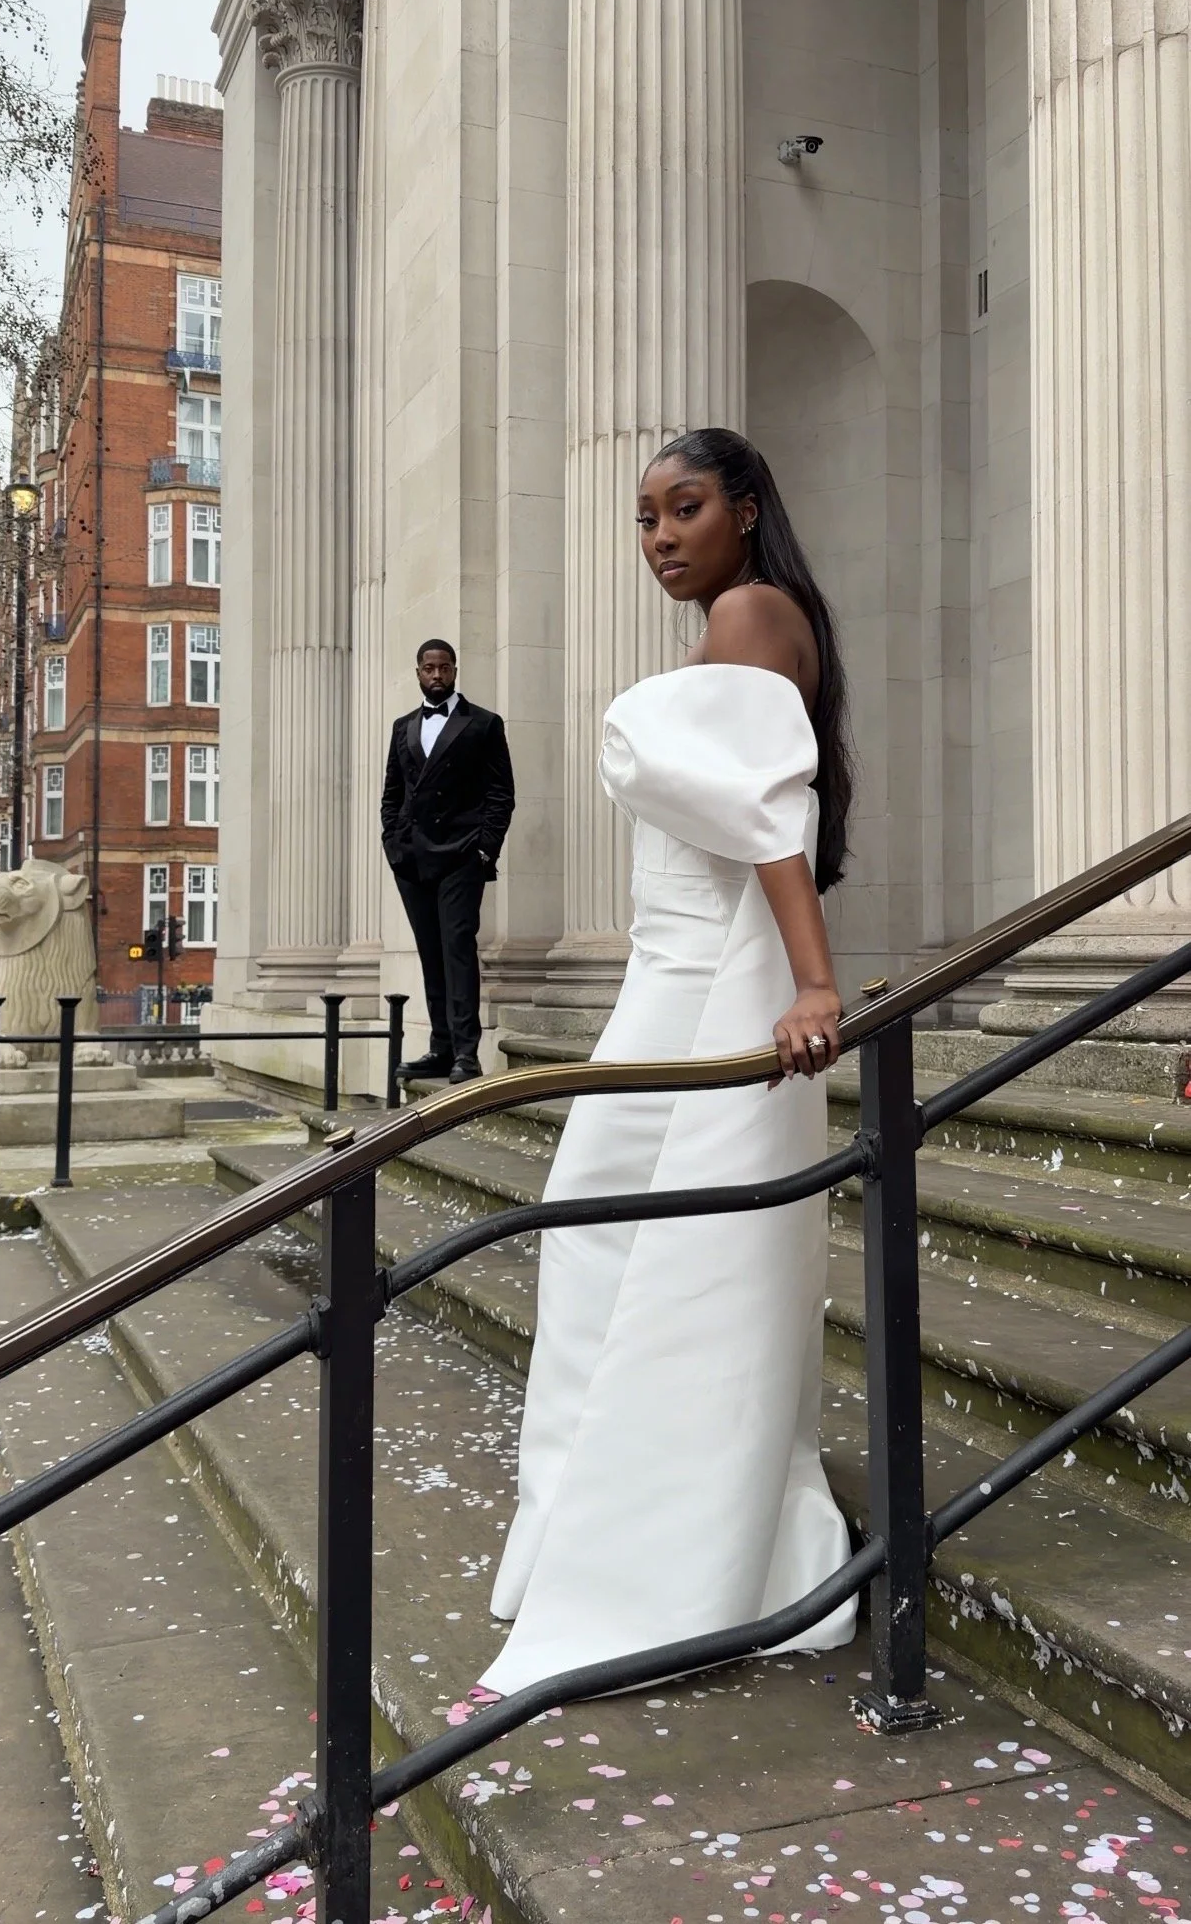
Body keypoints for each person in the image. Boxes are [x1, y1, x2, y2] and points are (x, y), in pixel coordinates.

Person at [468, 426, 858, 1704]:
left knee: (614, 1246)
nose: (660, 538)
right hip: (684, 981)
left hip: (703, 996)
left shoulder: (751, 612)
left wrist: (810, 980)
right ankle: (679, 1546)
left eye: (683, 507)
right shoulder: (765, 615)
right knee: (657, 1258)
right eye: (644, 520)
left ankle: (658, 1562)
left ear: (746, 508)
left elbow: (761, 823)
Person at [381, 639, 515, 1084]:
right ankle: (440, 1047)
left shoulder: (483, 724)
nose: (436, 676)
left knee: (458, 950)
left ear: (455, 670)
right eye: (428, 669)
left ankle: (466, 1053)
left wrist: (485, 849)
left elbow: (501, 794)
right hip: (413, 858)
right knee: (430, 953)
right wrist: (393, 844)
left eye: (443, 668)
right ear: (417, 672)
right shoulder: (403, 727)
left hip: (461, 855)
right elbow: (392, 794)